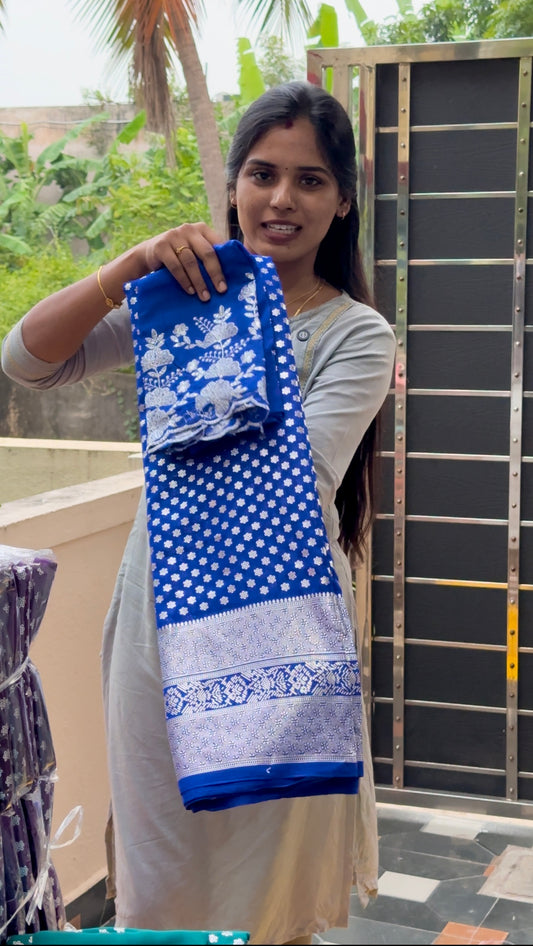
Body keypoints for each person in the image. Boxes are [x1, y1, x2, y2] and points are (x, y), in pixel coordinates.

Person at [1, 81, 396, 945]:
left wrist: (202, 353)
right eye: (262, 174)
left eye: (310, 180)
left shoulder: (357, 334)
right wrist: (127, 271)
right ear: (233, 185)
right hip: (162, 611)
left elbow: (294, 484)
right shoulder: (176, 304)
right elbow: (27, 362)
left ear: (342, 201)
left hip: (282, 621)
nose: (281, 198)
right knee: (163, 848)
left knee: (271, 864)